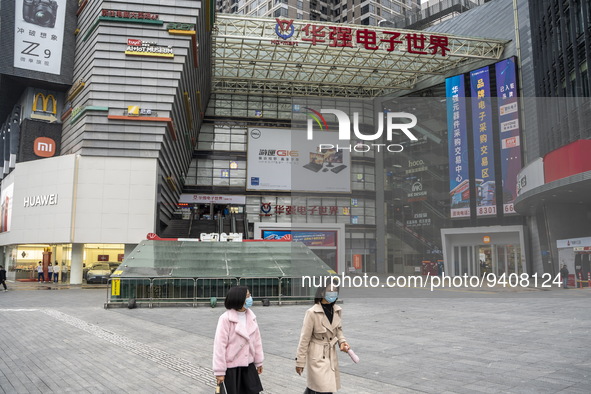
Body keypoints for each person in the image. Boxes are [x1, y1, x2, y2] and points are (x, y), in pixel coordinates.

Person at [296, 284, 350, 394]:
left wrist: (342, 341)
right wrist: (300, 362)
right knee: (322, 388)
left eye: (335, 290)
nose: (333, 293)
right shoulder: (312, 312)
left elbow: (338, 330)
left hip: (331, 354)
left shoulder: (337, 310)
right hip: (317, 355)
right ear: (321, 292)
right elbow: (304, 339)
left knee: (319, 388)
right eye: (329, 290)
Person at [213, 286, 264, 394]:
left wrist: (259, 362)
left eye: (250, 295)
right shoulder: (225, 319)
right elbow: (220, 346)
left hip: (249, 366)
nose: (250, 298)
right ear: (239, 298)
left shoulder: (252, 317)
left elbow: (257, 341)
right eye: (247, 296)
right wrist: (219, 371)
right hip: (232, 369)